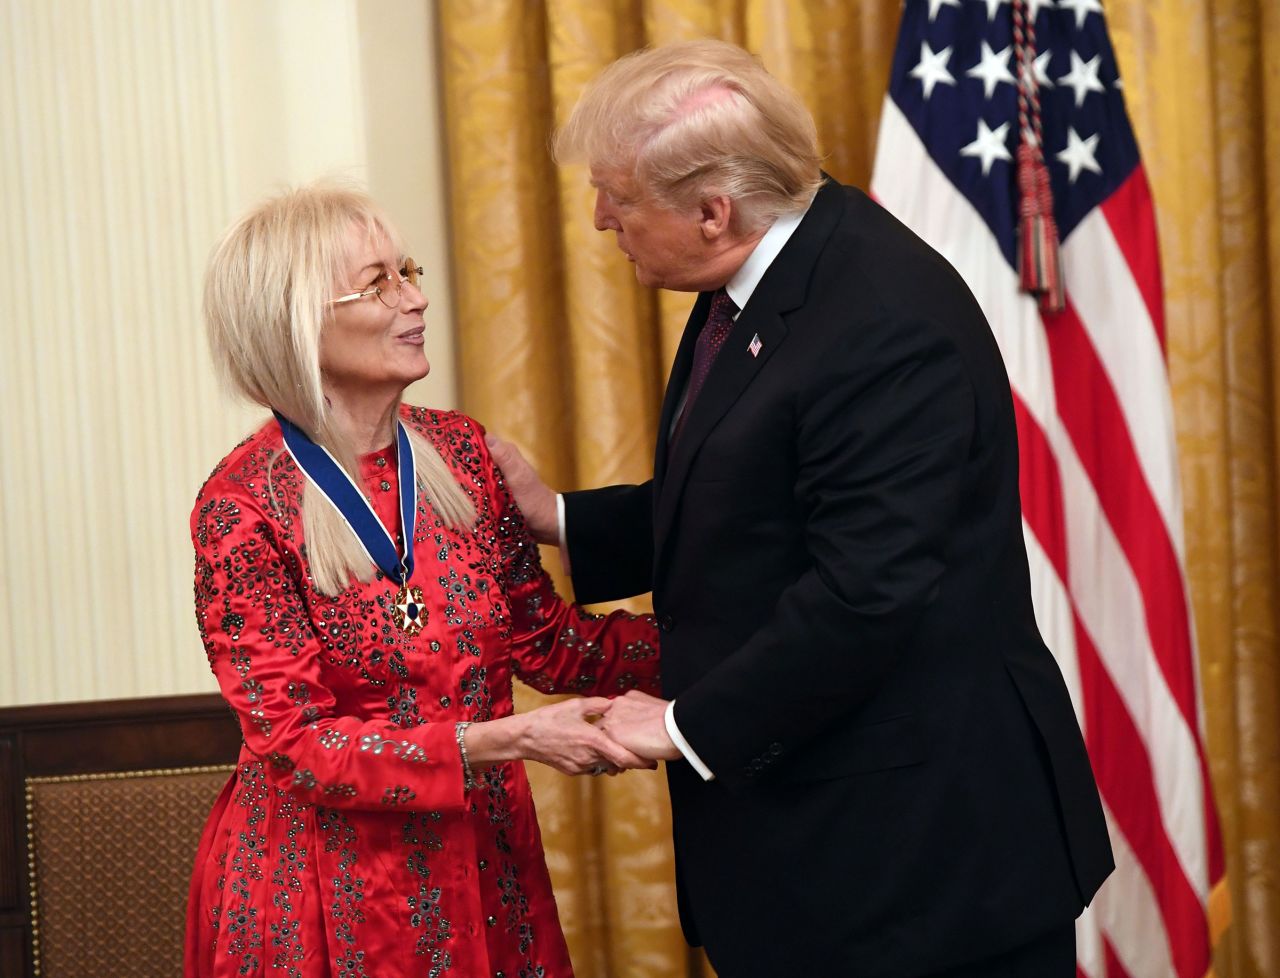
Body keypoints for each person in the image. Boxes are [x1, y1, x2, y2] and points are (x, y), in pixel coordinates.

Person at [490, 39, 1114, 977]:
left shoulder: (879, 319)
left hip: (920, 870)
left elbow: (867, 592)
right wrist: (563, 518)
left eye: (618, 195)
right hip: (830, 856)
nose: (598, 218)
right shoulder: (773, 273)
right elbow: (757, 498)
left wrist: (679, 724)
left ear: (712, 210)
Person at [185, 183, 660, 978]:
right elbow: (297, 748)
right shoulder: (240, 505)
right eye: (379, 284)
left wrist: (750, 646)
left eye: (409, 272)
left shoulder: (464, 454)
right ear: (297, 321)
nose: (416, 300)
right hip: (327, 892)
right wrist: (505, 740)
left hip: (484, 863)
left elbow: (549, 647)